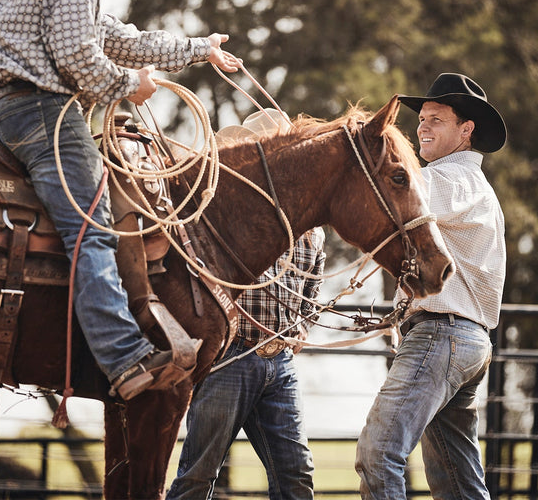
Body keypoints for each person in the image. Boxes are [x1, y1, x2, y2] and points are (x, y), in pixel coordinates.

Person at [0, 0, 241, 401]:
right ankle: (123, 357)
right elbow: (79, 56)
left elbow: (127, 42)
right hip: (42, 112)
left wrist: (198, 49)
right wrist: (128, 87)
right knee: (92, 226)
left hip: (9, 111)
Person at [355, 73, 507, 499]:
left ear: (466, 130)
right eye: (422, 118)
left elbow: (393, 195)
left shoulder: (450, 179)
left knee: (378, 452)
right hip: (463, 339)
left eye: (436, 119)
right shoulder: (471, 185)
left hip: (442, 336)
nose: (422, 126)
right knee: (457, 481)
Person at [166, 109, 326, 500]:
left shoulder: (313, 231)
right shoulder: (231, 219)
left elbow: (313, 285)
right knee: (199, 472)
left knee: (296, 473)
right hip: (231, 356)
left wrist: (303, 325)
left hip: (280, 361)